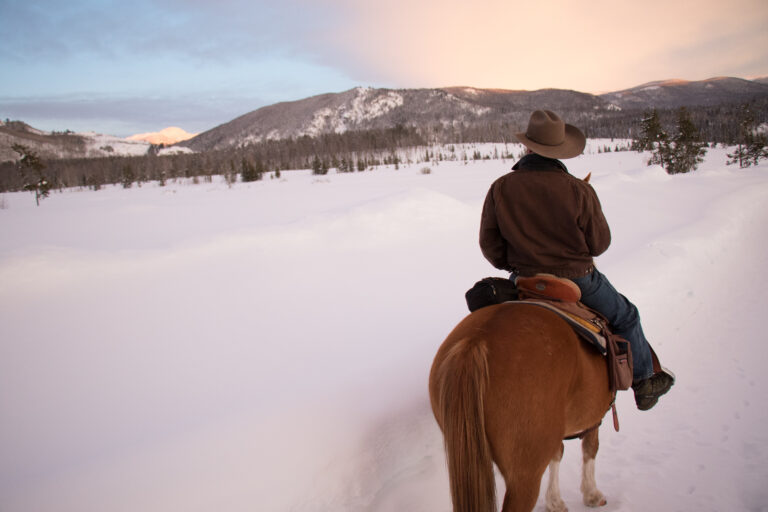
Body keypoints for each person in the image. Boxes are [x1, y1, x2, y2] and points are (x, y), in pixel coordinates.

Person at [479, 109, 674, 410]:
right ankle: (644, 381)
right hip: (579, 280)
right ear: (559, 151)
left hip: (525, 279)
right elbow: (600, 243)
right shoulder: (580, 190)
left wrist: (517, 264)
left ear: (527, 147)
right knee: (626, 316)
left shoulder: (501, 187)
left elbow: (490, 246)